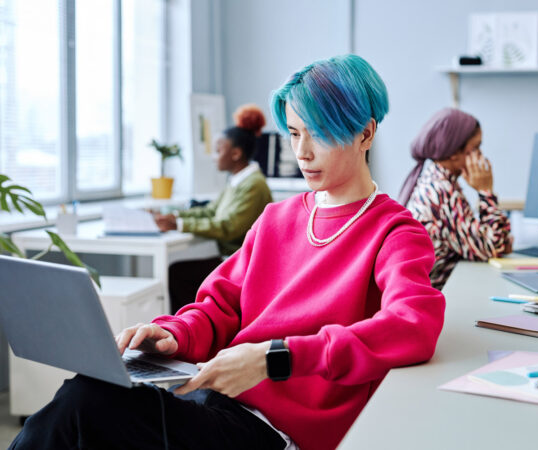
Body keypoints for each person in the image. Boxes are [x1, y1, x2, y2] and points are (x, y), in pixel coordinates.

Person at [10, 54, 445, 450]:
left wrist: (274, 358)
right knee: (88, 393)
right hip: (213, 398)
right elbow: (217, 307)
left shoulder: (395, 232)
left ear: (365, 133)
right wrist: (174, 334)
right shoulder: (276, 220)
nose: (303, 152)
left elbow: (413, 327)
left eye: (321, 135)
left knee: (86, 407)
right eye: (294, 133)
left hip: (277, 433)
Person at [155, 104, 273, 313]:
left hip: (243, 263)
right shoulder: (237, 180)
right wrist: (173, 216)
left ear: (236, 153)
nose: (214, 156)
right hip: (232, 258)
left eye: (218, 150)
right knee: (179, 272)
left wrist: (179, 224)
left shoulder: (254, 185)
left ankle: (188, 332)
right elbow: (211, 210)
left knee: (178, 274)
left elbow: (229, 227)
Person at [398, 107, 512, 290]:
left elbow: (495, 241)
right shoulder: (440, 192)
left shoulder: (437, 181)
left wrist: (498, 240)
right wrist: (485, 191)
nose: (480, 156)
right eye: (475, 148)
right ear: (453, 152)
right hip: (434, 301)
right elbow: (492, 247)